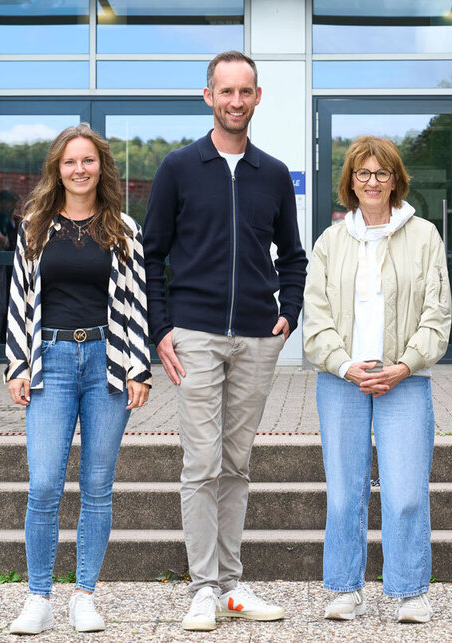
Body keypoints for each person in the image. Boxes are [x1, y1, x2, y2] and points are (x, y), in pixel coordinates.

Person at [143, 50, 308, 632]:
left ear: (257, 97)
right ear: (208, 96)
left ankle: (232, 584)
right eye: (226, 92)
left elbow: (293, 256)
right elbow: (152, 255)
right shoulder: (179, 168)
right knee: (202, 462)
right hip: (196, 334)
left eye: (246, 92)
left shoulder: (274, 174)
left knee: (237, 463)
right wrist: (161, 328)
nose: (236, 101)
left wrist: (289, 312)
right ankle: (203, 588)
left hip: (257, 340)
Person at [4, 123, 152, 635]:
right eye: (70, 161)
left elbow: (136, 304)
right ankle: (38, 598)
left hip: (107, 364)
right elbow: (19, 300)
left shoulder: (124, 228)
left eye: (88, 160)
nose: (80, 169)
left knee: (97, 486)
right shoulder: (34, 226)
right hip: (52, 362)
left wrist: (139, 367)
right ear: (57, 169)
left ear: (100, 167)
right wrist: (17, 364)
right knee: (44, 484)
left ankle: (85, 595)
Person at [303, 136, 451, 624]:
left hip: (404, 378)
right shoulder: (330, 241)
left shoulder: (425, 235)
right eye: (362, 174)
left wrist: (404, 365)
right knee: (345, 492)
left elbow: (437, 314)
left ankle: (411, 591)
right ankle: (346, 588)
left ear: (396, 180)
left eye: (381, 174)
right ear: (350, 182)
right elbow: (316, 317)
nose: (372, 182)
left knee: (406, 490)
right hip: (342, 379)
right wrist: (344, 364)